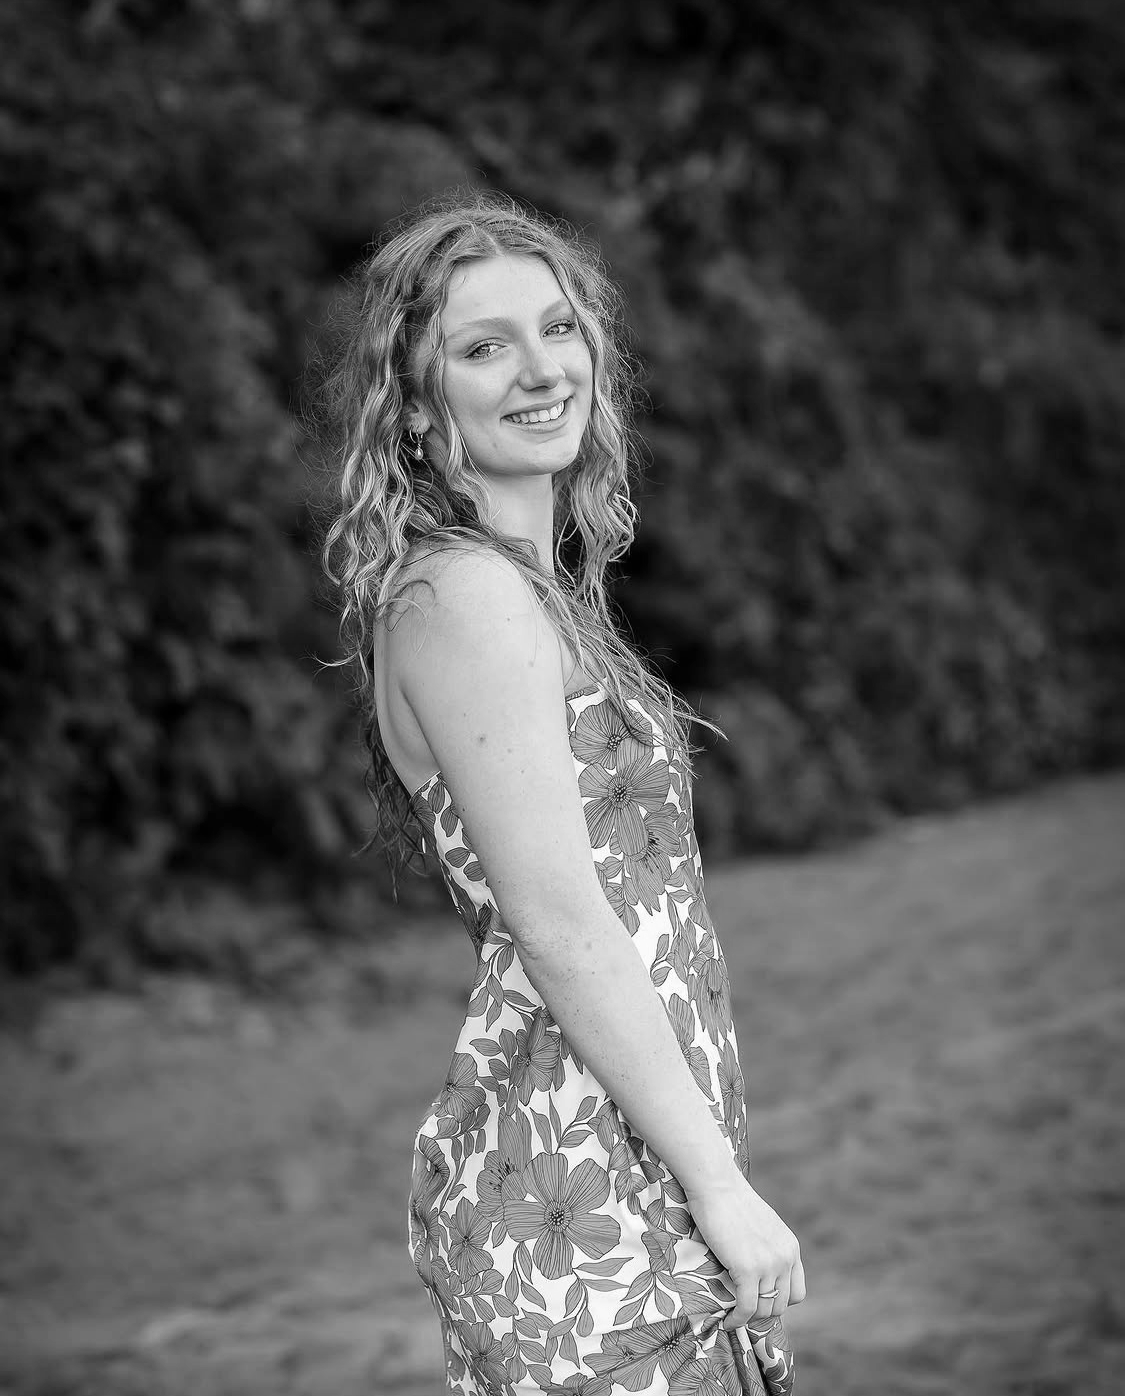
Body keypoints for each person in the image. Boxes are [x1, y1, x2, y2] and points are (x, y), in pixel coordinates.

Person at [319, 190, 804, 1395]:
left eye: (559, 327)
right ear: (419, 407)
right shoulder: (464, 601)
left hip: (616, 1136)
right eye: (485, 346)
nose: (543, 369)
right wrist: (720, 1185)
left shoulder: (520, 592)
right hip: (574, 1165)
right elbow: (559, 919)